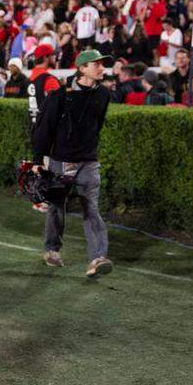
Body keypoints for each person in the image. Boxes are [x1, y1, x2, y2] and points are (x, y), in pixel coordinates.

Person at [31, 48, 113, 279]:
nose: (101, 68)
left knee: (91, 208)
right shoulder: (59, 94)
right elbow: (44, 128)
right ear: (82, 68)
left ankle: (98, 258)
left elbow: (97, 126)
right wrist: (38, 160)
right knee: (57, 208)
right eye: (96, 64)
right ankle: (52, 250)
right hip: (61, 162)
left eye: (102, 64)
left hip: (89, 161)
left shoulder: (104, 94)